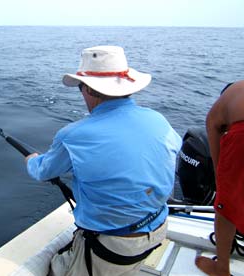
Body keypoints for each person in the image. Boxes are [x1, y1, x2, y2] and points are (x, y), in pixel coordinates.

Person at [25, 46, 182, 276]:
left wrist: (31, 160)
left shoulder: (73, 135)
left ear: (89, 88)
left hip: (115, 248)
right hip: (158, 229)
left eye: (80, 87)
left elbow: (43, 171)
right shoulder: (158, 119)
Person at [195, 80, 244, 276]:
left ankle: (222, 269)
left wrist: (220, 180)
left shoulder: (226, 101)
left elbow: (213, 127)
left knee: (226, 204)